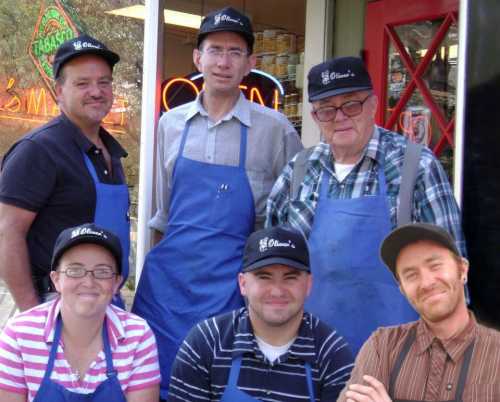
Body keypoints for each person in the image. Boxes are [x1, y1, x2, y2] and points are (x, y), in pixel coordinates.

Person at [132, 7, 303, 398]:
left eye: (235, 52)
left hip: (232, 291)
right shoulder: (169, 125)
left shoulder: (274, 131)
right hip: (167, 292)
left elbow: (287, 224)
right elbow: (161, 217)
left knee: (226, 387)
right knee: (155, 386)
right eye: (214, 50)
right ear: (198, 58)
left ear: (250, 64)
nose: (223, 62)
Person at [266, 56, 465, 355]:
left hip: (402, 356)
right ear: (315, 116)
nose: (340, 117)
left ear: (372, 105)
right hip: (311, 354)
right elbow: (273, 266)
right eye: (327, 109)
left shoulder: (415, 167)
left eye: (351, 104)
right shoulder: (298, 172)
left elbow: (451, 272)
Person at [0, 35, 130, 310]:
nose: (96, 91)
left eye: (103, 82)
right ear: (58, 91)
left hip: (108, 304)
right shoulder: (38, 150)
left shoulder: (111, 152)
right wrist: (33, 315)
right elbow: (6, 234)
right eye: (82, 83)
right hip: (55, 305)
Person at [168, 226, 354, 402]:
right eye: (263, 277)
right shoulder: (206, 343)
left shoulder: (332, 354)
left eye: (290, 277)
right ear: (242, 284)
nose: (277, 291)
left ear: (308, 285)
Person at [338, 223, 500, 402]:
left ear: (462, 269)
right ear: (402, 289)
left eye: (435, 266)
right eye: (411, 275)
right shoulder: (382, 346)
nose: (426, 283)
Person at [0, 223, 160, 402]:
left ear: (116, 283)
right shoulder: (19, 334)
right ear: (56, 280)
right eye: (75, 270)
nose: (88, 282)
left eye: (102, 271)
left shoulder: (137, 335)